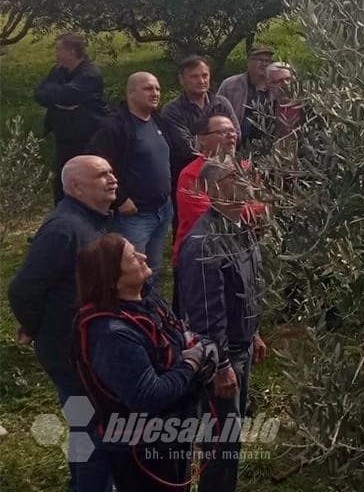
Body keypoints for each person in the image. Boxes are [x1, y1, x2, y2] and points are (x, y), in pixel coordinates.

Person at [7, 155, 118, 492]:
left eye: (112, 172)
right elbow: (23, 288)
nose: (113, 178)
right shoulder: (64, 229)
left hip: (88, 349)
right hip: (70, 353)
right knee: (90, 430)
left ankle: (85, 482)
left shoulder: (94, 220)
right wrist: (37, 327)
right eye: (102, 175)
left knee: (89, 428)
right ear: (75, 186)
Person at [74, 233, 218, 491]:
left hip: (171, 433)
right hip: (142, 448)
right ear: (112, 279)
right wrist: (190, 366)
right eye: (132, 257)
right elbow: (149, 395)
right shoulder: (112, 335)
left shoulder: (147, 300)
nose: (143, 257)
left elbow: (176, 335)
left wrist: (199, 346)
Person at [177, 159, 267, 492]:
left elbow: (246, 290)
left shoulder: (240, 227)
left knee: (232, 435)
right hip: (223, 362)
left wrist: (253, 331)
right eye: (235, 176)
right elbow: (204, 313)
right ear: (213, 188)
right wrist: (221, 366)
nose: (246, 179)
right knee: (220, 442)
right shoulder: (205, 242)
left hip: (240, 349)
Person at [88, 73, 185, 283]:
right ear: (131, 92)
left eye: (157, 89)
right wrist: (119, 199)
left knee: (152, 270)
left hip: (162, 210)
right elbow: (98, 165)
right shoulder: (114, 126)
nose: (155, 93)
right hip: (133, 216)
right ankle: (127, 312)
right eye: (148, 88)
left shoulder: (158, 121)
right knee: (130, 274)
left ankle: (149, 311)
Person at [174, 114, 265, 264]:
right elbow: (210, 215)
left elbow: (263, 203)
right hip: (204, 254)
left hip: (243, 248)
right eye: (222, 131)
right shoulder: (191, 175)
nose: (231, 135)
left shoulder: (245, 167)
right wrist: (250, 210)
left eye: (233, 130)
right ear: (202, 139)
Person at [34, 33, 108, 203]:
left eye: (59, 49)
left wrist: (59, 100)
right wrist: (63, 101)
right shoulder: (58, 71)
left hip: (87, 140)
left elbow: (68, 95)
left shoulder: (90, 74)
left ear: (72, 51)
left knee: (87, 182)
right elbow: (39, 93)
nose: (56, 53)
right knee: (62, 183)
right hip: (63, 140)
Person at [160, 55, 238, 164]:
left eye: (205, 75)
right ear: (181, 80)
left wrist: (208, 139)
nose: (201, 81)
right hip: (189, 171)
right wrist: (219, 139)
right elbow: (186, 147)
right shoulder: (172, 110)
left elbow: (236, 135)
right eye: (194, 76)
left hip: (225, 167)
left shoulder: (222, 103)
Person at [215, 44, 274, 146]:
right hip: (236, 147)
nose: (264, 64)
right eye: (260, 60)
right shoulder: (230, 85)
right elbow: (216, 114)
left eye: (267, 61)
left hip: (269, 149)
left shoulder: (277, 85)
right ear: (249, 62)